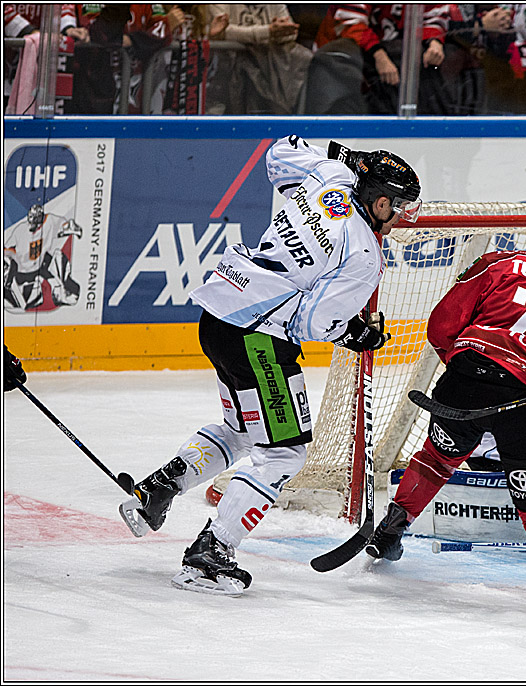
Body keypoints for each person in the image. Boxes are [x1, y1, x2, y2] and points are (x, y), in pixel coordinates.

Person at [118, 135, 421, 595]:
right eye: (399, 207)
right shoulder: (364, 255)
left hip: (219, 313)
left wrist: (342, 156)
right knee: (284, 452)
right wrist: (359, 334)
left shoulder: (330, 178)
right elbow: (319, 322)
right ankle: (210, 553)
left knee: (242, 431)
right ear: (380, 202)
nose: (402, 218)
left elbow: (277, 155)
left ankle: (158, 488)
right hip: (258, 340)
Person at [366, 207, 526, 620]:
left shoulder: (497, 263)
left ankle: (390, 530)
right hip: (525, 403)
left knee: (437, 456)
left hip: (461, 385)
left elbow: (443, 324)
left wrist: (465, 369)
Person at [4, 204, 83, 313]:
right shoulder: (20, 229)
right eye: (30, 219)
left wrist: (73, 229)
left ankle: (63, 291)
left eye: (35, 220)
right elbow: (7, 249)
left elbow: (65, 225)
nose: (31, 224)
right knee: (25, 302)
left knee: (58, 256)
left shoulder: (50, 221)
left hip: (40, 267)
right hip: (23, 272)